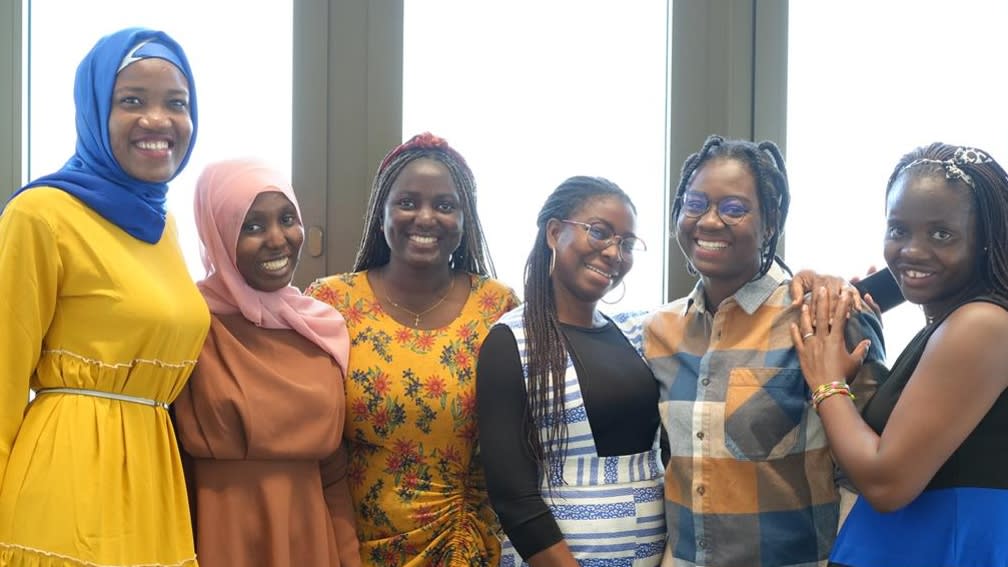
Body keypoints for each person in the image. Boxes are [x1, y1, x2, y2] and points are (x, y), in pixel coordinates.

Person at [0, 28, 207, 566]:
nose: (157, 120)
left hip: (153, 484)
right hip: (65, 487)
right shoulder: (41, 214)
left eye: (176, 103)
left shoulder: (165, 230)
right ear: (94, 110)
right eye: (131, 100)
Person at [643, 135, 887, 567]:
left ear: (771, 223)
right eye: (695, 203)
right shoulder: (658, 332)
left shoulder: (821, 321)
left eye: (734, 208)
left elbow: (866, 472)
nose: (710, 221)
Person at [306, 132, 519, 566]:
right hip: (356, 549)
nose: (425, 217)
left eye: (445, 205)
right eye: (407, 202)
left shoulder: (498, 307)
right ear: (381, 212)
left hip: (466, 547)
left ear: (466, 219)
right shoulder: (331, 304)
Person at [793, 142, 1008, 567]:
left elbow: (886, 482)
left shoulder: (980, 324)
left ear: (987, 239)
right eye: (898, 230)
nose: (911, 250)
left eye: (941, 234)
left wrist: (827, 383)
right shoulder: (946, 325)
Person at [172, 159, 361, 566]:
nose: (278, 239)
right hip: (217, 539)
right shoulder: (191, 326)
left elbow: (333, 473)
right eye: (252, 226)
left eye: (287, 219)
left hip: (309, 540)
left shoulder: (320, 329)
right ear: (218, 235)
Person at [477, 176, 666, 566]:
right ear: (554, 233)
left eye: (627, 243)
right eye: (600, 233)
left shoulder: (636, 335)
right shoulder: (512, 341)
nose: (615, 253)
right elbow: (513, 496)